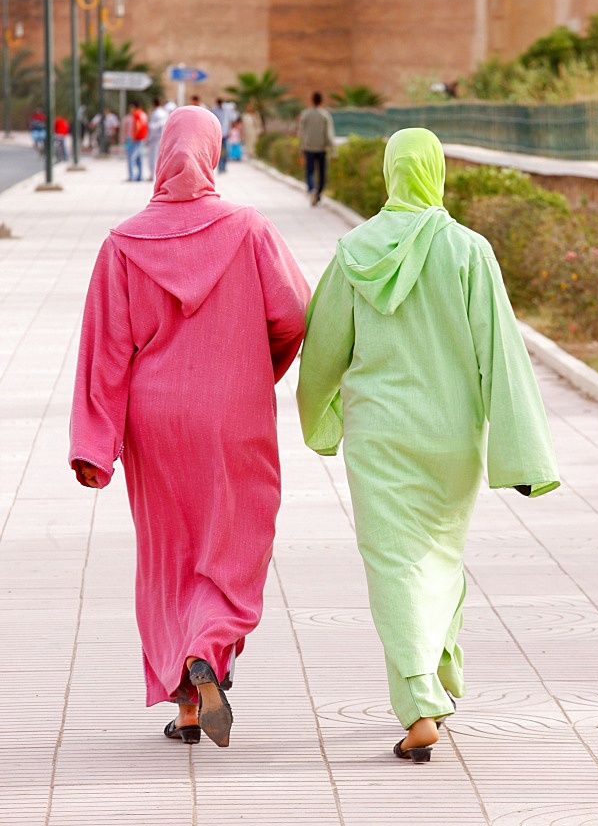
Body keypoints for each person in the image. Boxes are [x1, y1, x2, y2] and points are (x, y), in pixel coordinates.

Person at [296, 127, 560, 764]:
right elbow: (501, 355)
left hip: (379, 437)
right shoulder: (469, 251)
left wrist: (320, 419)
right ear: (435, 171)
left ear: (389, 172)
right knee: (439, 553)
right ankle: (434, 679)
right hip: (451, 438)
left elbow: (322, 349)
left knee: (393, 561)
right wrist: (523, 456)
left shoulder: (353, 253)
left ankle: (419, 703)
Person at [69, 106, 310, 749]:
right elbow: (294, 315)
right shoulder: (249, 229)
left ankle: (185, 705)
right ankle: (209, 650)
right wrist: (259, 368)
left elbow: (105, 352)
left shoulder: (123, 243)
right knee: (233, 541)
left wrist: (96, 444)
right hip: (234, 414)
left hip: (157, 422)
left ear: (159, 154)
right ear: (214, 153)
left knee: (169, 555)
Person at [298, 91, 335, 206]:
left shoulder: (305, 114)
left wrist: (301, 146)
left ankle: (312, 188)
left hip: (308, 148)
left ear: (312, 100)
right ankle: (318, 193)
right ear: (321, 101)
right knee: (322, 173)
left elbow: (301, 132)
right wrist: (333, 151)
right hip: (321, 148)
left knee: (310, 171)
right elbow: (329, 134)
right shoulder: (325, 115)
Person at [146, 98, 168, 179]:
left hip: (155, 138)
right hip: (162, 138)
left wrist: (149, 139)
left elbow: (153, 127)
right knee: (160, 157)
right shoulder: (164, 112)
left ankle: (153, 175)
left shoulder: (156, 114)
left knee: (153, 158)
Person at [128, 101, 148, 181]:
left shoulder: (136, 114)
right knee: (139, 158)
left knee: (131, 157)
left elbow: (138, 125)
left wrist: (134, 136)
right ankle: (140, 176)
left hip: (137, 139)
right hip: (142, 138)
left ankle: (132, 176)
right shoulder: (143, 114)